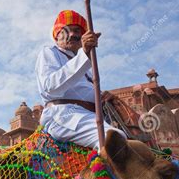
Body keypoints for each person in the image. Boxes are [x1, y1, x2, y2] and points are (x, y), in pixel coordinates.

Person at [35, 9, 126, 149]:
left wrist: (102, 97)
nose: (72, 34)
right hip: (64, 115)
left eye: (77, 31)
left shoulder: (87, 68)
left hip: (90, 116)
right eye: (66, 30)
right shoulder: (49, 52)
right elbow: (50, 88)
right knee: (115, 139)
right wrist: (84, 54)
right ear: (57, 35)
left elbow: (83, 91)